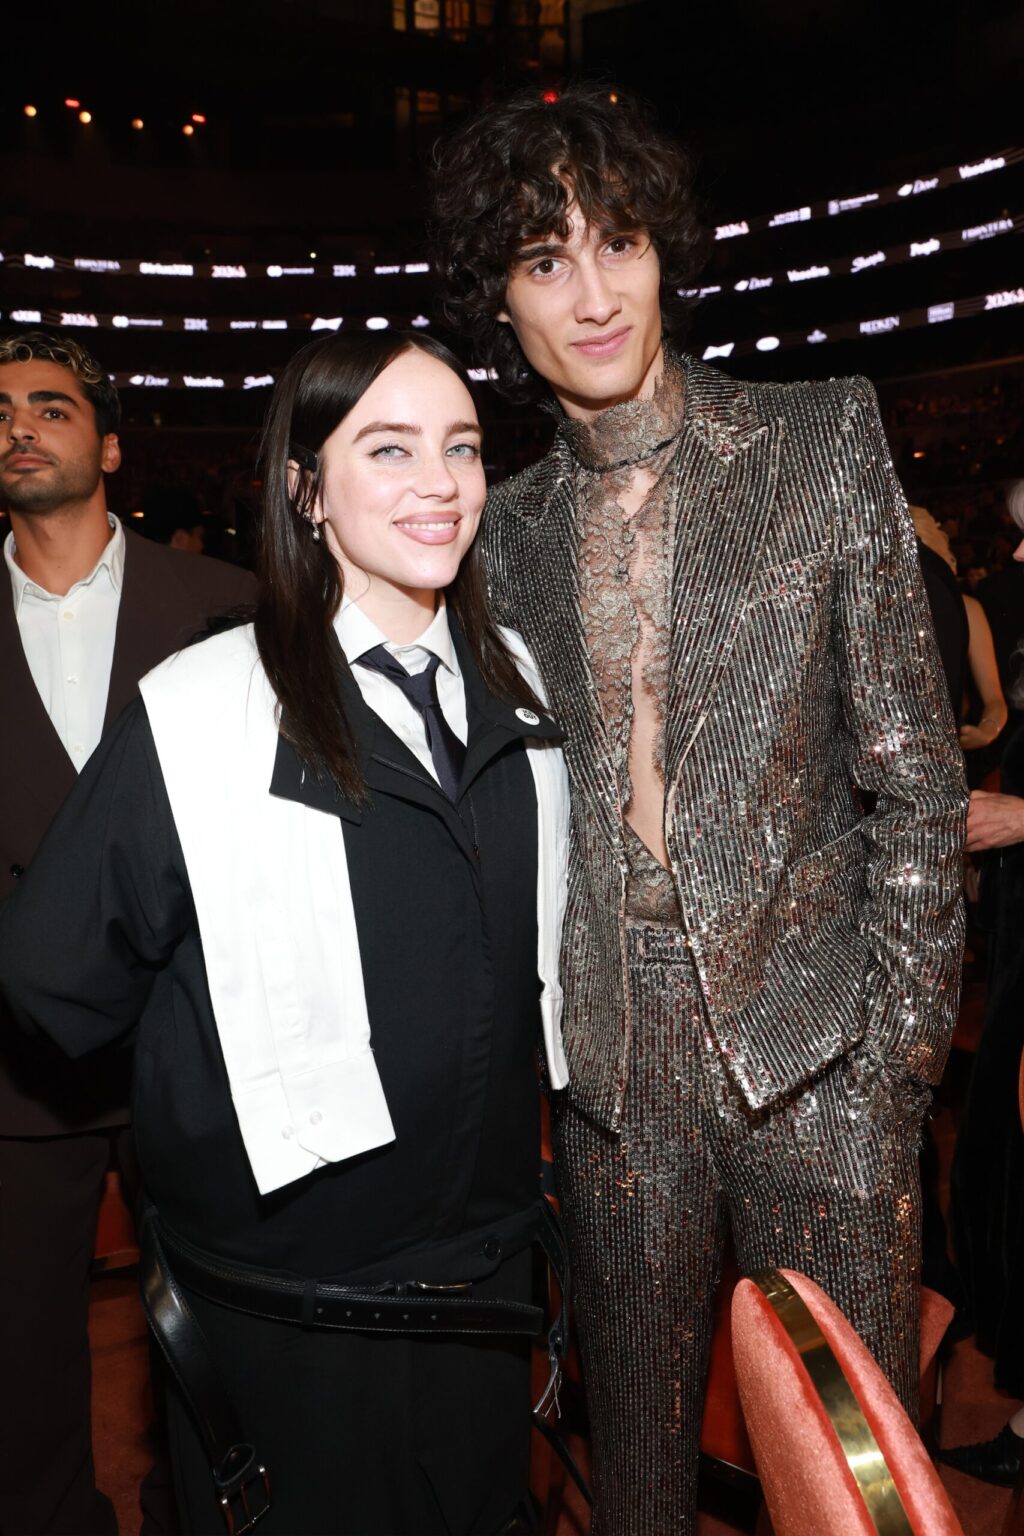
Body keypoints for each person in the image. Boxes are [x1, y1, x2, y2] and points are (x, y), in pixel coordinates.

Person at [431, 83, 968, 1533]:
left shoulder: (817, 440)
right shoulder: (503, 528)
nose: (594, 294)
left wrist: (899, 1061)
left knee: (855, 1468)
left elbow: (916, 771)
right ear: (504, 301)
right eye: (546, 261)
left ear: (667, 251)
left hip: (820, 1046)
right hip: (616, 1072)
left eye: (619, 244)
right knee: (644, 1477)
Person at [0, 329, 570, 1535]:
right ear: (306, 489)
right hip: (287, 1292)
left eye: (461, 447)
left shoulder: (519, 681)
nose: (440, 482)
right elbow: (55, 977)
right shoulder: (203, 705)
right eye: (390, 447)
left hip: (481, 1273)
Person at [0, 331, 254, 1536]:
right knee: (18, 1365)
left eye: (50, 406)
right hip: (13, 1065)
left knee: (214, 1337)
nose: (18, 425)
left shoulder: (226, 609)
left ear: (106, 446)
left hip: (189, 1041)